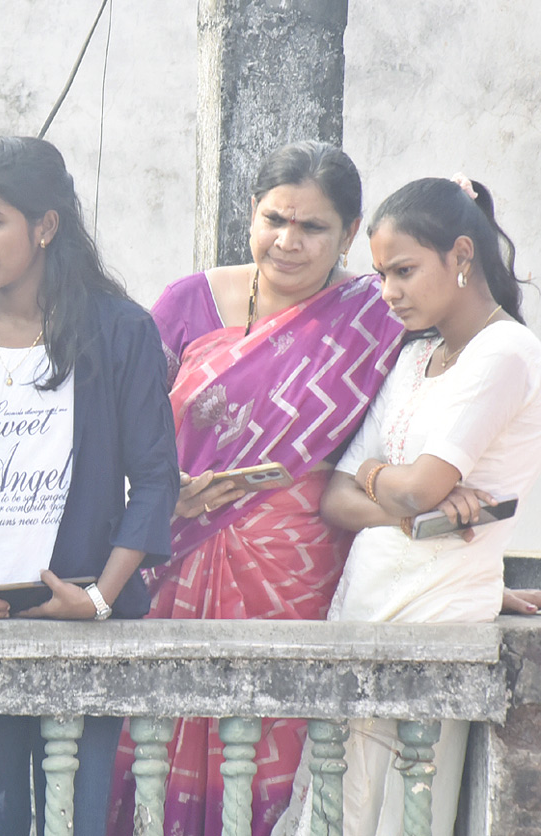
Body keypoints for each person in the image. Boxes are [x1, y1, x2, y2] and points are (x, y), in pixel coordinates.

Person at [107, 141, 406, 836]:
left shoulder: (374, 321)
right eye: (275, 219)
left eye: (313, 228)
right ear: (251, 212)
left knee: (274, 762)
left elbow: (411, 435)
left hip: (298, 580)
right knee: (150, 744)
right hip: (174, 566)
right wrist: (162, 487)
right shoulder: (188, 303)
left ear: (350, 233)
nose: (289, 242)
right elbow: (121, 432)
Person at [0, 135, 179, 836]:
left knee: (78, 817)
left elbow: (154, 479)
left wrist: (99, 598)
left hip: (82, 627)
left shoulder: (119, 333)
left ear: (45, 226)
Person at [275, 176, 541, 836]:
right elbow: (336, 500)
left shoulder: (506, 353)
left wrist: (376, 477)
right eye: (380, 274)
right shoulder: (415, 358)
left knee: (393, 816)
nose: (387, 292)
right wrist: (400, 499)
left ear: (460, 256)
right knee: (333, 813)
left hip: (431, 617)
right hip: (366, 605)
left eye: (403, 271)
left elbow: (420, 487)